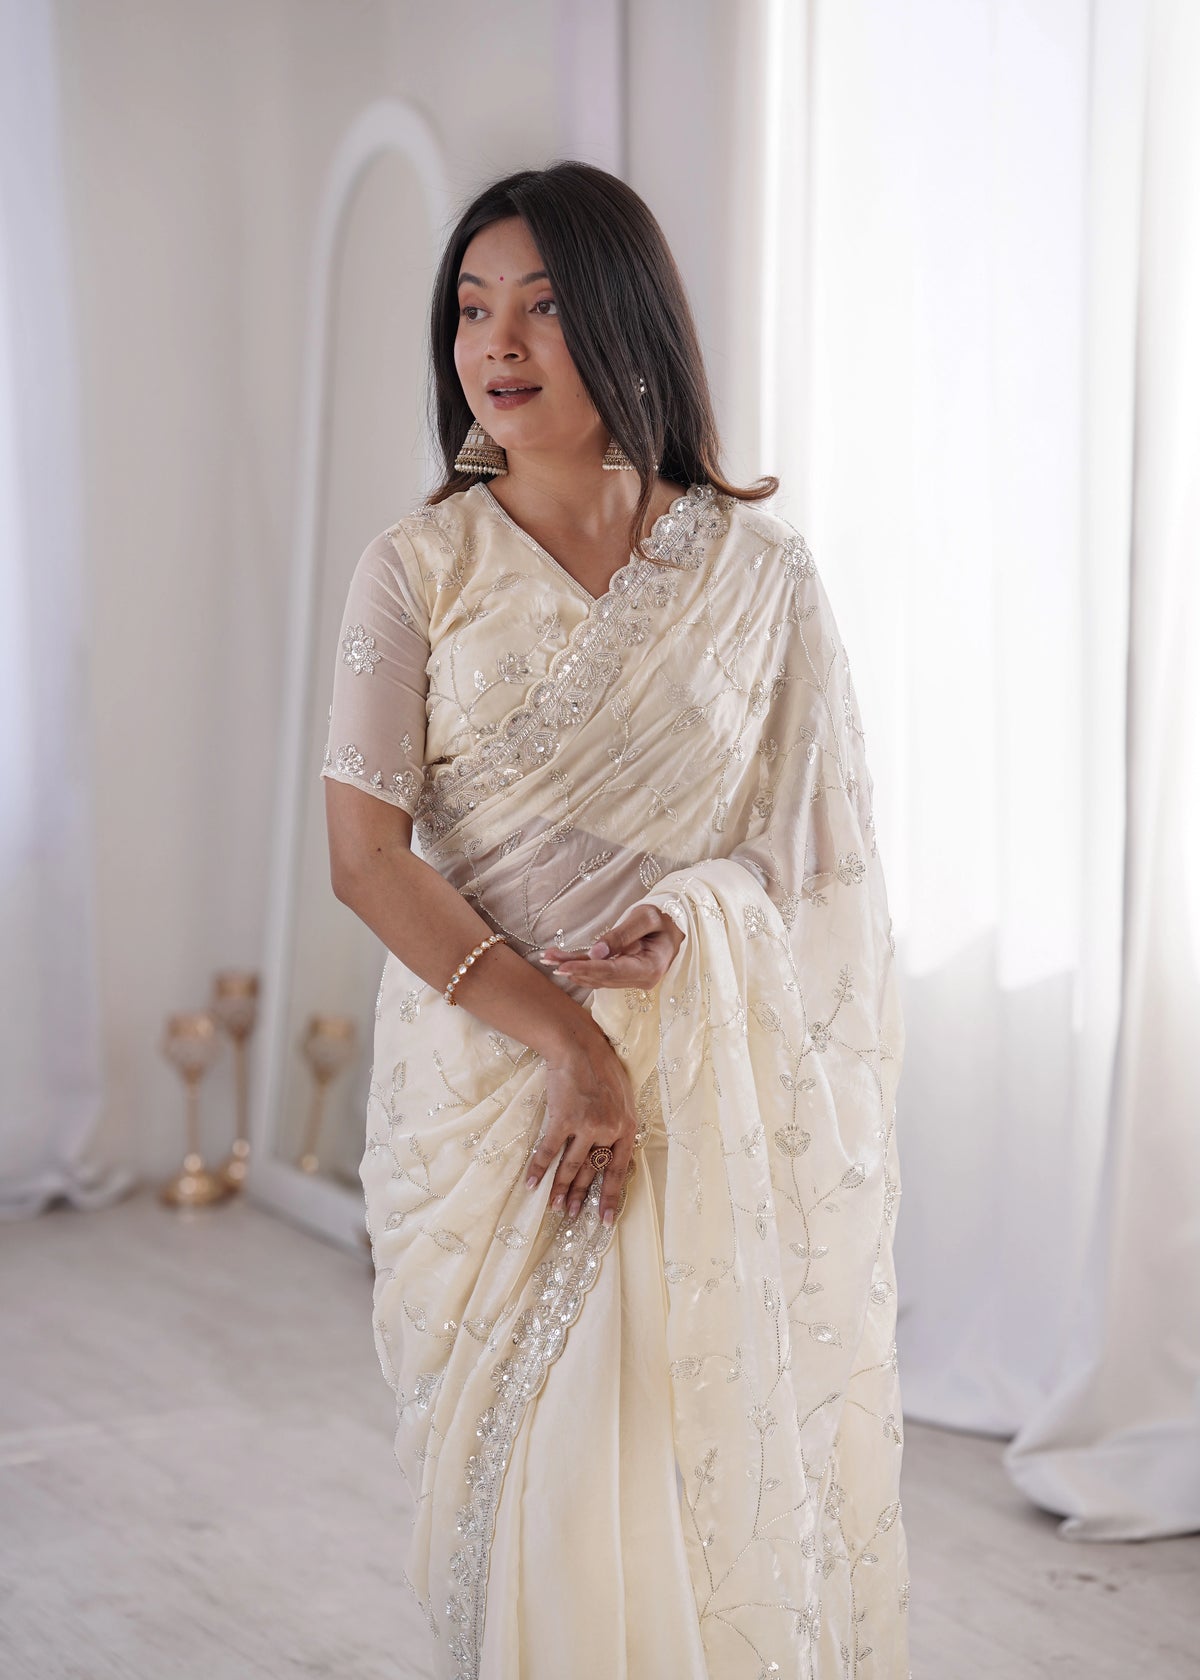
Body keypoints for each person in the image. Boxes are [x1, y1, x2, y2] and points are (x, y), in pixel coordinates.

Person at [321, 160, 909, 1680]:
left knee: (688, 1448)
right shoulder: (415, 572)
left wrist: (699, 918)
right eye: (469, 310)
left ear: (629, 321)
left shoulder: (759, 577)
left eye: (542, 304)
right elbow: (367, 860)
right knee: (541, 1488)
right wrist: (570, 1041)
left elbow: (820, 866)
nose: (495, 343)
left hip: (707, 1086)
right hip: (497, 1093)